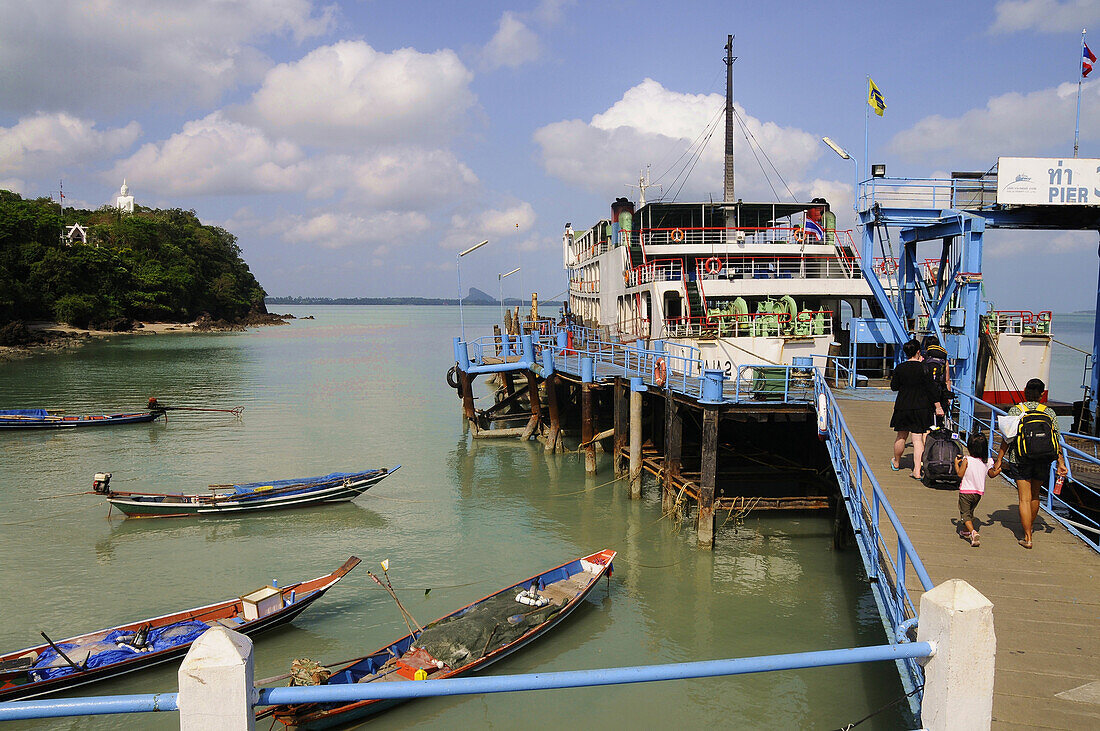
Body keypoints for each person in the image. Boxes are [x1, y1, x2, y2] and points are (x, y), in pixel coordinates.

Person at [991, 378, 1068, 549]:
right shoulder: (1049, 413)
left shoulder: (1016, 410)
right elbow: (1055, 439)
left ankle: (1027, 537)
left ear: (1025, 391)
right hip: (1043, 459)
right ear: (1042, 394)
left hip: (1020, 459)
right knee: (1035, 495)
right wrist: (1060, 462)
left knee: (1024, 499)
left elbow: (1007, 438)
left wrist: (999, 460)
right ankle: (1030, 527)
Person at [890, 339, 943, 479]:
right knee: (917, 439)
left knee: (901, 436)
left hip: (903, 406)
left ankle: (896, 462)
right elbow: (932, 389)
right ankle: (917, 471)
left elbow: (894, 387)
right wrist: (938, 407)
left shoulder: (900, 368)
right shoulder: (925, 368)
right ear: (918, 352)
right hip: (921, 407)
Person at [954, 432, 994, 547]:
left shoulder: (967, 460)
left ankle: (973, 532)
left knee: (965, 514)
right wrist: (998, 470)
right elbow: (992, 474)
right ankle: (966, 531)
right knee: (970, 512)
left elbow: (960, 474)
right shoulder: (987, 461)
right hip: (978, 493)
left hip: (966, 492)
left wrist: (957, 464)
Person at [922, 335, 952, 422]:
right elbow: (947, 380)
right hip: (940, 392)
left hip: (925, 393)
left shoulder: (923, 358)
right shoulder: (943, 361)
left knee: (925, 423)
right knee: (938, 422)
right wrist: (948, 397)